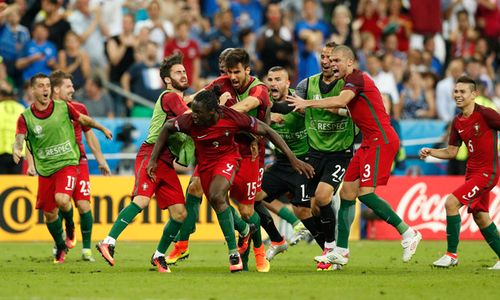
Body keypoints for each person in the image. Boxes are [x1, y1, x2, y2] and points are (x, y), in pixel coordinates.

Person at [146, 90, 314, 272]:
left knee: (223, 198)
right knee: (217, 201)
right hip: (205, 165)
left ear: (212, 112)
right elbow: (167, 127)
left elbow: (267, 130)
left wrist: (292, 159)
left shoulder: (230, 116)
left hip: (228, 159)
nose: (192, 116)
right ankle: (243, 229)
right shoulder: (190, 121)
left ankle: (234, 253)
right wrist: (153, 159)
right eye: (192, 111)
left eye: (197, 112)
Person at [287, 45, 422, 267]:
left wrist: (308, 102)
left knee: (365, 195)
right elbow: (349, 108)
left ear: (350, 62)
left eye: (337, 60)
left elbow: (341, 101)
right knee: (348, 193)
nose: (332, 64)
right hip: (368, 142)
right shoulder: (351, 83)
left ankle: (408, 233)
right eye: (330, 60)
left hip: (381, 140)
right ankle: (340, 251)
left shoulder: (357, 79)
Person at [96, 54, 190, 273]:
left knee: (179, 214)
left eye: (184, 71)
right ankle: (108, 241)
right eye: (178, 72)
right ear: (167, 80)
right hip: (151, 156)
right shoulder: (169, 96)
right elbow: (190, 115)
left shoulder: (177, 99)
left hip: (166, 162)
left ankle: (159, 256)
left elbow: (188, 103)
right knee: (142, 201)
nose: (183, 74)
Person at [13, 73, 112, 263]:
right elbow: (23, 141)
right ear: (32, 90)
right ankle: (60, 245)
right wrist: (19, 152)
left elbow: (87, 126)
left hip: (71, 162)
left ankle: (81, 243)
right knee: (49, 214)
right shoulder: (26, 117)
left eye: (47, 85)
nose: (45, 89)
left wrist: (102, 136)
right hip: (46, 168)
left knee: (72, 201)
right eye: (41, 86)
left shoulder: (68, 108)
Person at [419, 76, 500, 270]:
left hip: (487, 173)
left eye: (462, 92)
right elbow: (452, 152)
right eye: (456, 91)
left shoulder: (486, 114)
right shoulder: (457, 122)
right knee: (480, 216)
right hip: (472, 173)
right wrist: (432, 152)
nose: (457, 95)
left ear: (474, 95)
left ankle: (451, 255)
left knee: (451, 202)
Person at [166, 48, 234, 265]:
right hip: (209, 150)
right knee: (196, 188)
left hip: (235, 148)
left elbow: (247, 114)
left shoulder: (248, 86)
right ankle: (182, 243)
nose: (223, 66)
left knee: (241, 204)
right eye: (222, 62)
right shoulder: (217, 85)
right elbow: (192, 101)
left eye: (228, 62)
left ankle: (247, 232)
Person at [293, 41, 356, 271]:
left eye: (330, 57)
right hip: (314, 152)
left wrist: (325, 108)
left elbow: (352, 111)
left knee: (322, 196)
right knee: (304, 207)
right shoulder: (306, 84)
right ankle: (330, 246)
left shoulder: (347, 85)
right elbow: (294, 106)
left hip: (340, 152)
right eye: (322, 56)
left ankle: (332, 248)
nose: (326, 61)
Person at [48, 70, 111, 262]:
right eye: (68, 86)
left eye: (72, 86)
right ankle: (61, 243)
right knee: (57, 206)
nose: (73, 90)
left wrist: (100, 159)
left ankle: (86, 250)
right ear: (56, 89)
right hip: (55, 165)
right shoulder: (44, 111)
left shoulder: (79, 108)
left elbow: (89, 134)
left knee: (84, 205)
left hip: (78, 162)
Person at [257, 66, 311, 261]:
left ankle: (330, 250)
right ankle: (292, 227)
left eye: (278, 79)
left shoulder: (298, 102)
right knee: (254, 196)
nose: (273, 83)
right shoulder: (265, 105)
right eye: (270, 79)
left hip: (304, 162)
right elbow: (253, 125)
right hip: (282, 163)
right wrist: (268, 120)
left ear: (288, 83)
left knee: (310, 208)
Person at [0, 88, 25, 174]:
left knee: (2, 184)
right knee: (15, 183)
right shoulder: (21, 108)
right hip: (18, 152)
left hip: (2, 152)